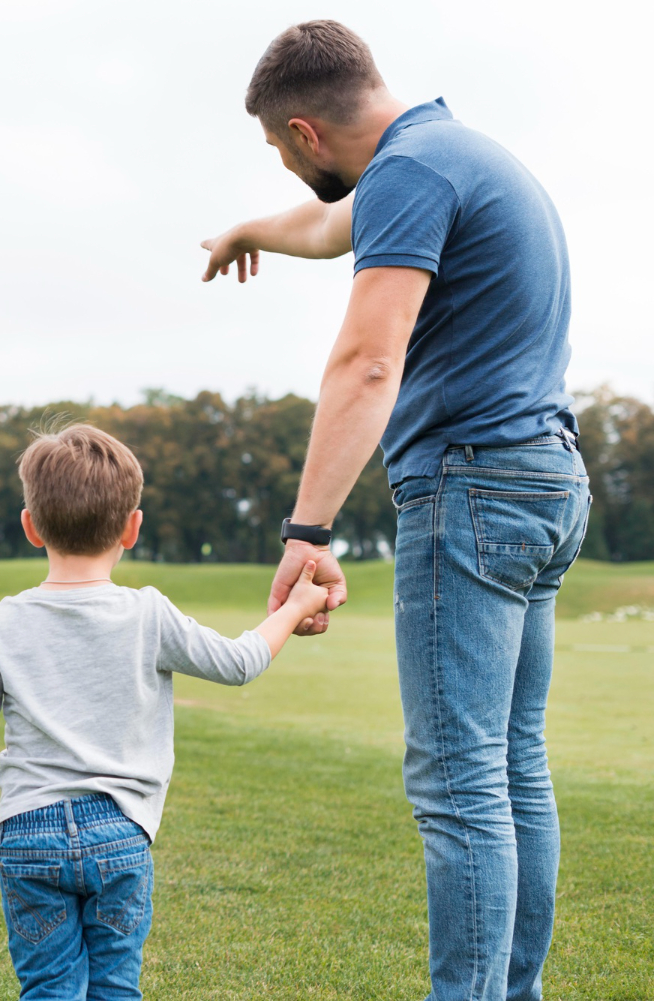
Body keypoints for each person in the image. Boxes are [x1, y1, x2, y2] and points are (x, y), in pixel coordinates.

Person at [199, 21, 591, 1001]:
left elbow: (371, 361)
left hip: (473, 486)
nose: (286, 167)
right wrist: (248, 232)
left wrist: (307, 530)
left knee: (460, 782)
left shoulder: (409, 174)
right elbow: (327, 227)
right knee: (511, 766)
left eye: (279, 150)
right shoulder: (452, 154)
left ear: (305, 131)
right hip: (547, 480)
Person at [0, 424, 330, 1000]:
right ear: (132, 527)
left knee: (49, 988)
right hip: (120, 831)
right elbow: (239, 663)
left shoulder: (3, 620)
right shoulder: (148, 613)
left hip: (27, 833)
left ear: (30, 526)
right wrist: (294, 608)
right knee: (115, 986)